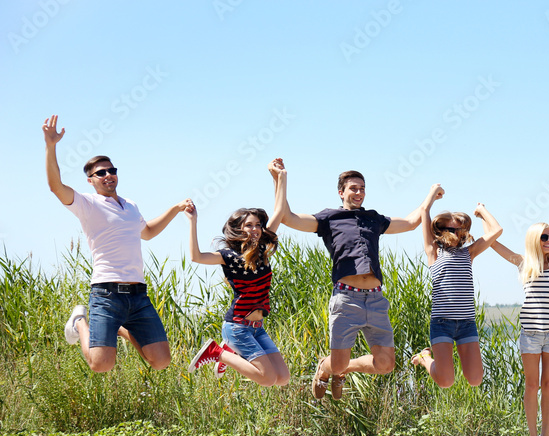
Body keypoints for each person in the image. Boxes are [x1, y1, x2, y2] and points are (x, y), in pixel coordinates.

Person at [270, 158, 428, 399]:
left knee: (386, 364)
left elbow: (411, 222)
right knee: (338, 362)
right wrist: (279, 179)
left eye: (362, 188)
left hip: (376, 300)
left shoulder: (373, 219)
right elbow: (287, 217)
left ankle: (341, 370)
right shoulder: (329, 218)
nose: (359, 193)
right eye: (354, 188)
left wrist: (430, 197)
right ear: (341, 192)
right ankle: (327, 367)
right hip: (346, 299)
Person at [44, 114, 190, 373]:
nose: (108, 175)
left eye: (112, 170)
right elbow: (56, 187)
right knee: (101, 365)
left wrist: (176, 208)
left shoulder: (130, 205)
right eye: (101, 173)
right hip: (106, 294)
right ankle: (79, 320)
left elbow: (147, 232)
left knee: (161, 361)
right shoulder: (88, 204)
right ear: (90, 180)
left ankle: (120, 328)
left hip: (138, 295)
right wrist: (51, 145)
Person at [490, 178, 549, 436]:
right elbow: (494, 245)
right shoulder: (525, 264)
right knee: (532, 386)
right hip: (531, 335)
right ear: (534, 240)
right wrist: (483, 216)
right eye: (544, 237)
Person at [184, 187, 291, 387]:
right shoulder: (228, 256)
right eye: (249, 225)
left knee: (283, 378)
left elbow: (280, 211)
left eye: (258, 225)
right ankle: (218, 353)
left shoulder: (262, 251)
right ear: (238, 229)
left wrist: (279, 178)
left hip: (257, 328)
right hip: (237, 327)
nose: (255, 229)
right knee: (267, 379)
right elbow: (196, 257)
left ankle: (229, 352)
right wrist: (193, 221)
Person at [410, 186, 503, 390]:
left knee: (475, 379)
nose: (455, 233)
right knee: (446, 381)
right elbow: (424, 211)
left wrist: (481, 211)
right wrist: (434, 192)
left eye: (460, 230)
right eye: (450, 229)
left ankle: (426, 356)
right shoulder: (433, 251)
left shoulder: (468, 253)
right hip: (442, 322)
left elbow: (497, 231)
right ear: (441, 231)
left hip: (467, 323)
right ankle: (425, 357)